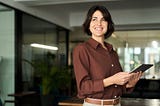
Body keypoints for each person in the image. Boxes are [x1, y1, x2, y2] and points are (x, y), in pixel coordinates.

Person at [73, 5, 142, 106]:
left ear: (108, 24)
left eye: (103, 20)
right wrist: (112, 80)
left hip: (117, 103)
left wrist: (129, 85)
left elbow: (115, 87)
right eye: (94, 19)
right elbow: (83, 88)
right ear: (88, 24)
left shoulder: (112, 52)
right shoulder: (82, 49)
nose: (99, 23)